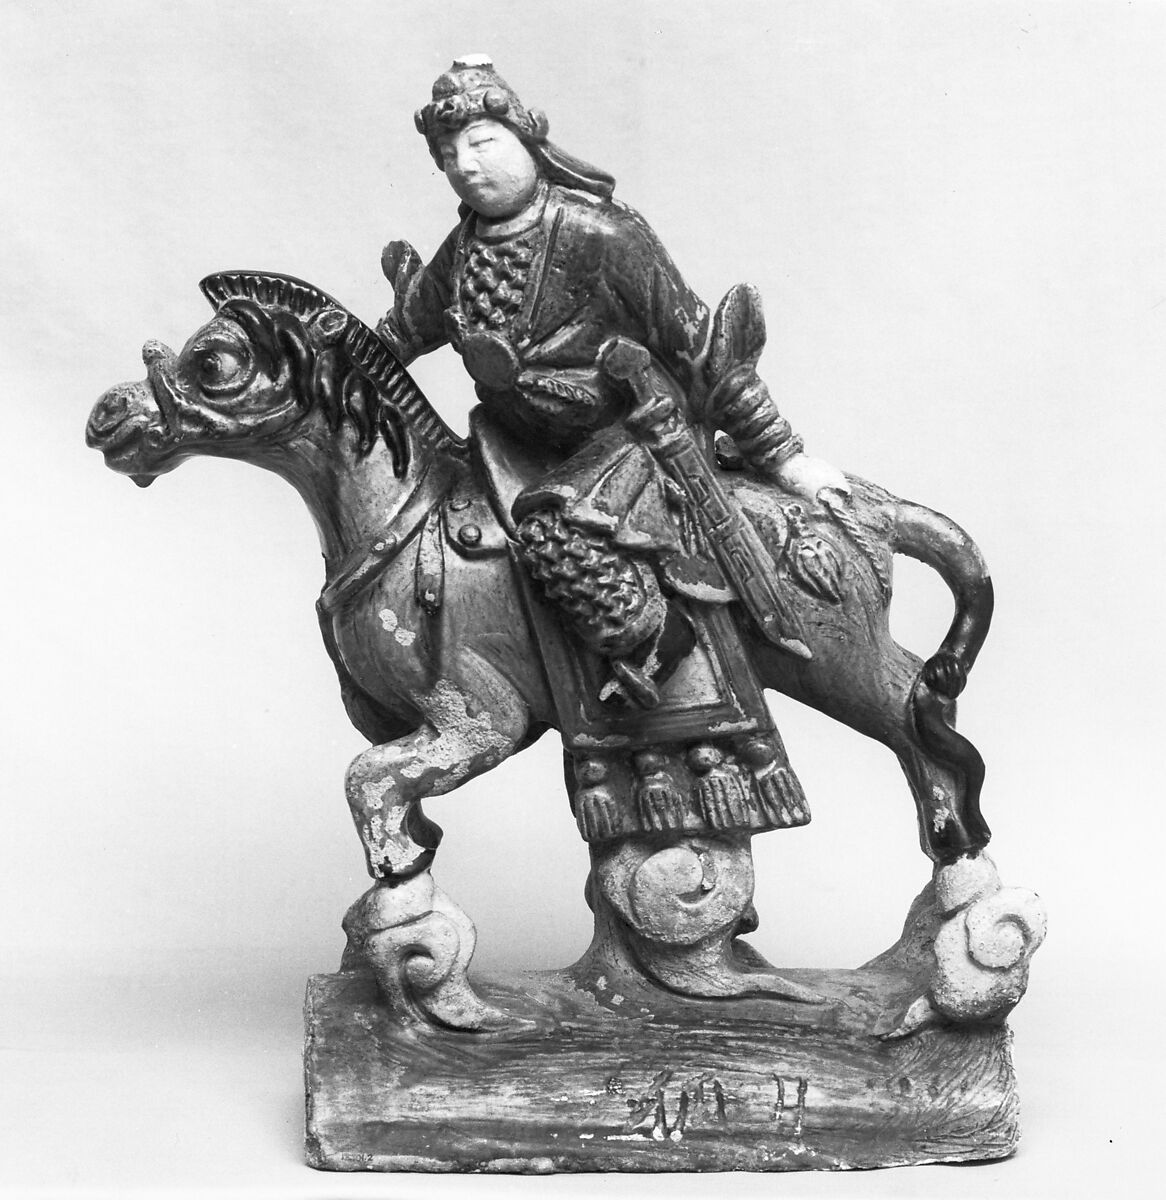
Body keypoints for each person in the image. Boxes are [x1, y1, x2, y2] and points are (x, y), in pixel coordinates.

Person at [378, 55, 847, 707]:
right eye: (448, 154)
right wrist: (330, 357)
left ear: (527, 139)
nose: (466, 165)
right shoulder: (463, 249)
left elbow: (702, 350)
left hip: (622, 436)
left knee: (550, 528)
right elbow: (407, 329)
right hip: (512, 442)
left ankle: (656, 640)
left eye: (481, 143)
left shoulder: (604, 234)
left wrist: (782, 456)